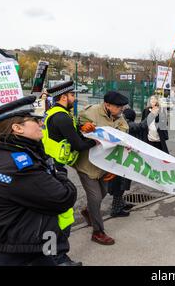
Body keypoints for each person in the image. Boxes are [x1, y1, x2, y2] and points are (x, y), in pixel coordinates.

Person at [0, 96, 77, 266]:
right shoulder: (19, 166)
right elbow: (64, 197)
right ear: (17, 128)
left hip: (4, 245)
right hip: (17, 253)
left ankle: (59, 258)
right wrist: (60, 172)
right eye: (35, 120)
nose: (41, 123)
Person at [42, 80, 96, 264]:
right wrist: (97, 141)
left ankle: (54, 255)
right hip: (55, 169)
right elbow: (79, 144)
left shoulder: (53, 113)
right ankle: (57, 258)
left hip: (50, 165)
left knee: (55, 213)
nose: (74, 98)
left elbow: (70, 134)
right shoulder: (62, 116)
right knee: (62, 213)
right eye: (72, 95)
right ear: (64, 97)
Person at [74, 91, 129, 245]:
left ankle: (87, 211)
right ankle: (98, 232)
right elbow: (76, 130)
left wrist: (113, 168)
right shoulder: (89, 113)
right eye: (118, 107)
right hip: (87, 165)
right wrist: (82, 128)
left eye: (123, 107)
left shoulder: (119, 117)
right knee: (96, 198)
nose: (121, 109)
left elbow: (124, 135)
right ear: (107, 105)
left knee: (103, 193)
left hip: (104, 165)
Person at [105, 107, 141, 218]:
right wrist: (153, 114)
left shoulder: (119, 123)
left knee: (122, 184)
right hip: (121, 161)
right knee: (119, 186)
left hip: (122, 159)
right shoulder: (128, 125)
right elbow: (142, 125)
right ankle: (116, 209)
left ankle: (121, 204)